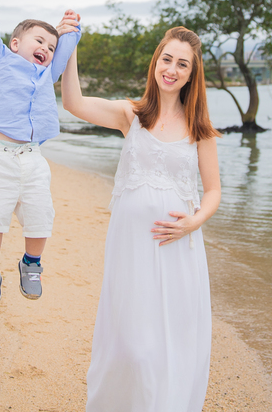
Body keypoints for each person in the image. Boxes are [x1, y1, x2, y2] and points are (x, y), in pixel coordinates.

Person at [61, 26, 222, 412]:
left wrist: (193, 221)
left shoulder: (199, 129)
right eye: (167, 59)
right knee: (132, 344)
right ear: (156, 62)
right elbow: (72, 102)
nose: (172, 69)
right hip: (131, 248)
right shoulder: (129, 114)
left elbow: (214, 191)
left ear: (191, 74)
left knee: (172, 342)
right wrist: (70, 46)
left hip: (178, 248)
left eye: (182, 64)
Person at [0, 0, 81, 305]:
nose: (46, 48)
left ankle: (31, 264)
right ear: (16, 43)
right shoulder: (0, 57)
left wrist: (71, 28)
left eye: (50, 46)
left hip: (33, 157)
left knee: (41, 215)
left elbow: (64, 48)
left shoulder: (47, 73)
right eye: (39, 41)